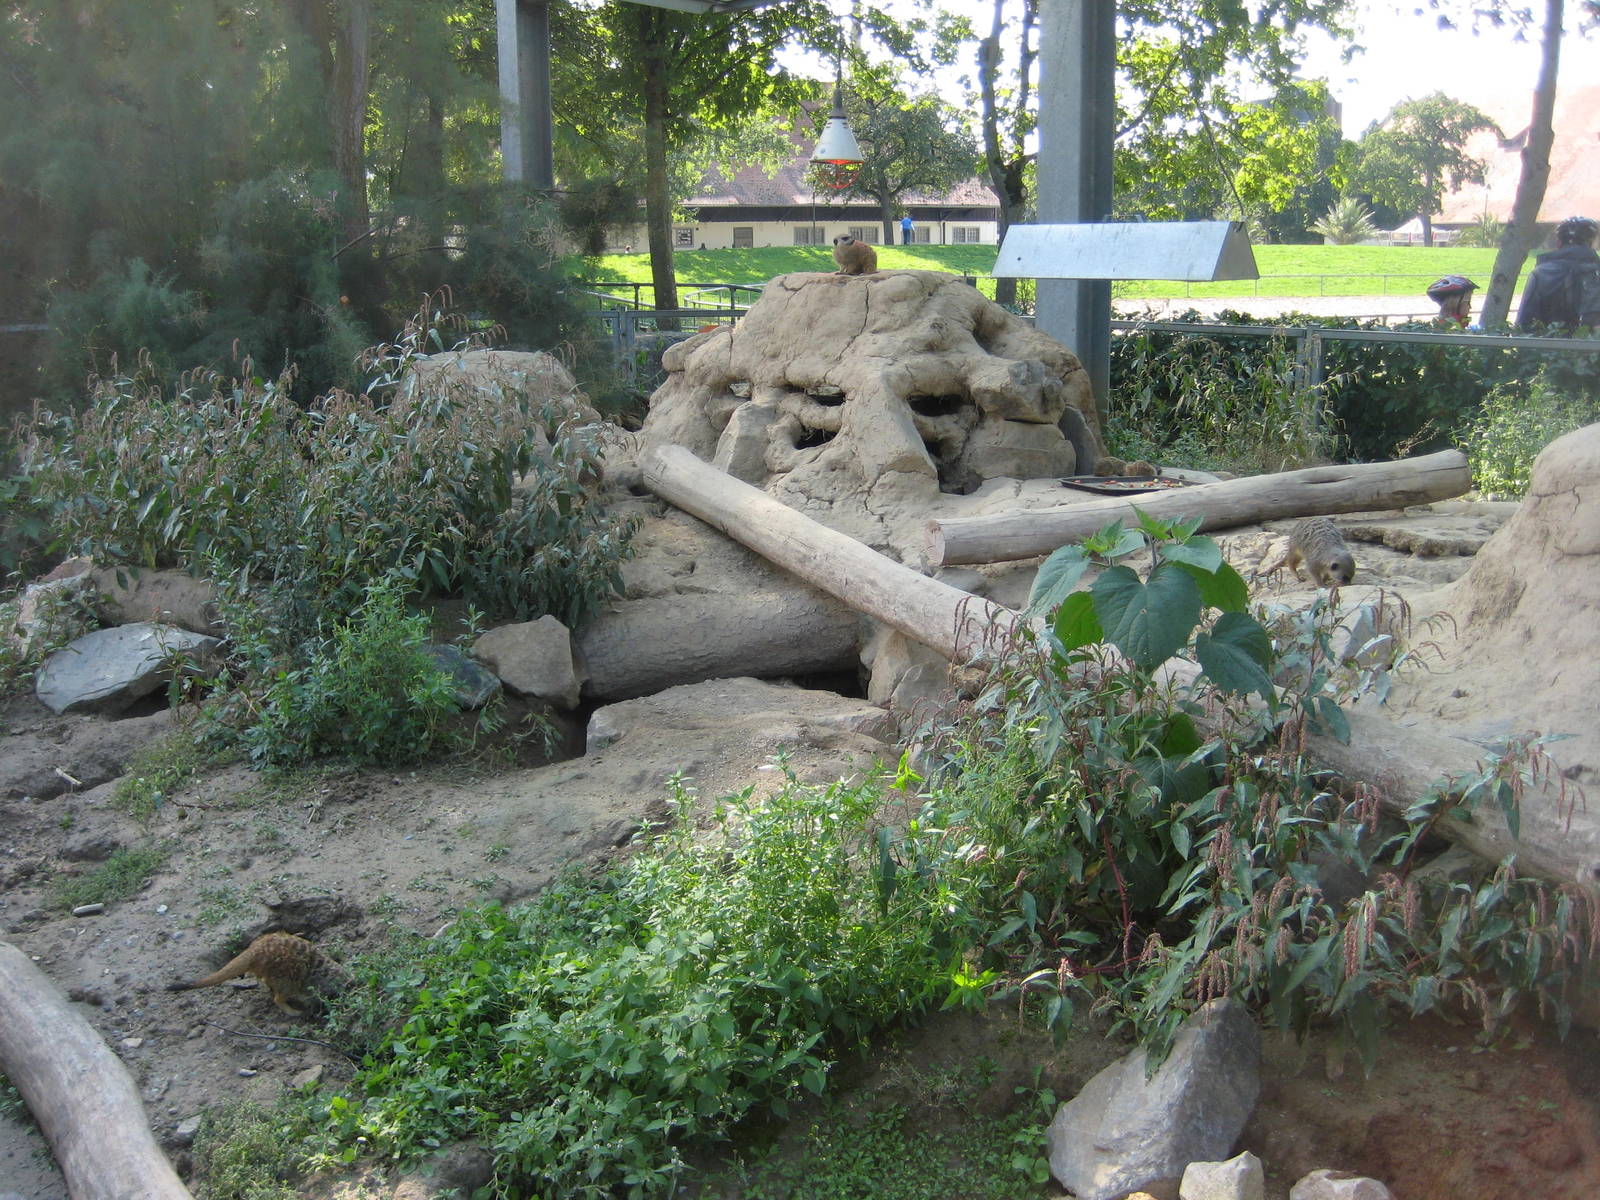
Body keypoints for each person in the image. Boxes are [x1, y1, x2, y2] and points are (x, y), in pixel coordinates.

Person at [1516, 215, 1600, 330]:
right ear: (1590, 243)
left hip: (1546, 345)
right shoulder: (1596, 273)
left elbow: (1524, 323)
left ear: (1559, 243)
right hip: (1591, 346)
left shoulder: (1540, 274)